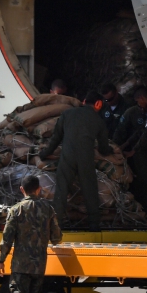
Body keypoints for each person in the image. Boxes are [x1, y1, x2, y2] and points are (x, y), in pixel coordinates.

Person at [0, 173, 62, 293]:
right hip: (39, 263)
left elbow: (7, 238)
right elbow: (57, 238)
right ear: (39, 189)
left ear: (21, 190)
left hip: (21, 264)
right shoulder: (48, 209)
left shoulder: (16, 210)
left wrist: (1, 259)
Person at [40, 91, 113, 230]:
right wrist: (110, 150)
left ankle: (56, 226)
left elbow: (56, 139)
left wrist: (44, 154)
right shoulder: (99, 121)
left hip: (67, 156)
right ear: (98, 104)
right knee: (90, 191)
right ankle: (94, 226)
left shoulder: (67, 114)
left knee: (61, 191)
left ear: (84, 101)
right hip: (86, 158)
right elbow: (104, 148)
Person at [111, 87, 147, 220]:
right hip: (138, 154)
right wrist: (115, 150)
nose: (139, 105)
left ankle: (146, 217)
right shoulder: (131, 113)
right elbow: (120, 131)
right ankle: (137, 215)